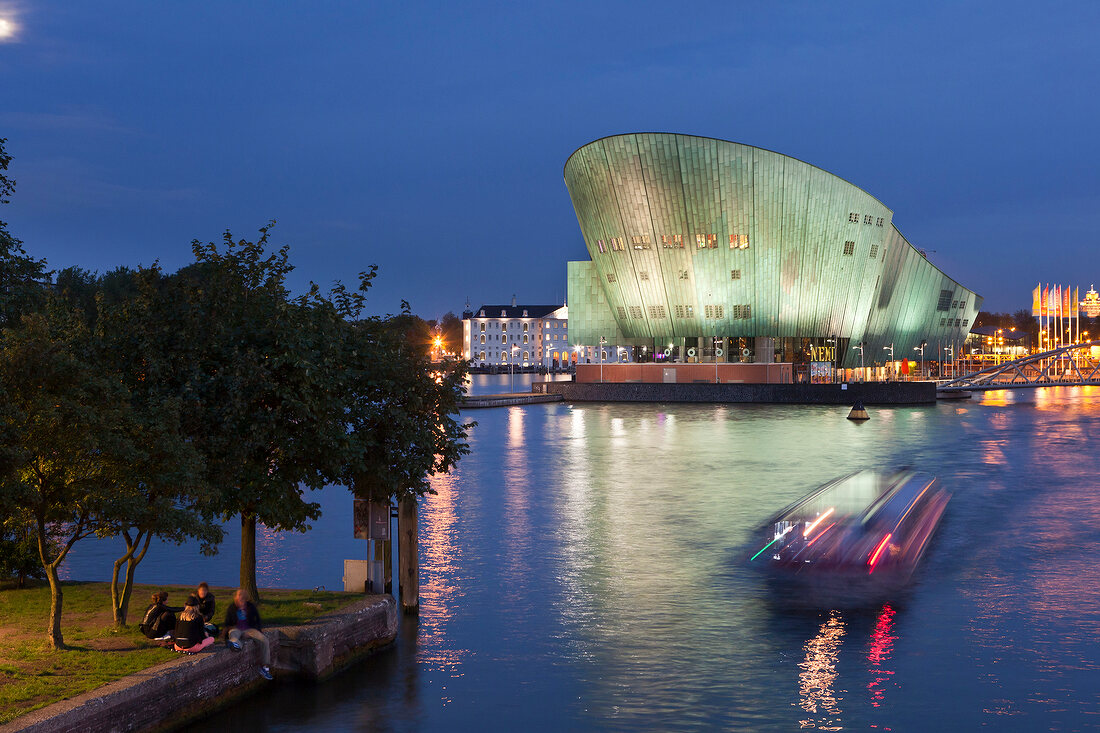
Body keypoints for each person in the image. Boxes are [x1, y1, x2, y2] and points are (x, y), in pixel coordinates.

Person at [223, 588, 272, 680]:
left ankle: (265, 667)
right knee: (233, 636)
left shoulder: (251, 607)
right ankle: (235, 644)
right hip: (236, 628)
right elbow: (227, 623)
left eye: (241, 600)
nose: (239, 602)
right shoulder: (232, 607)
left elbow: (257, 621)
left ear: (245, 599)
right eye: (238, 599)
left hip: (249, 629)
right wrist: (226, 632)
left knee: (264, 640)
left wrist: (256, 631)